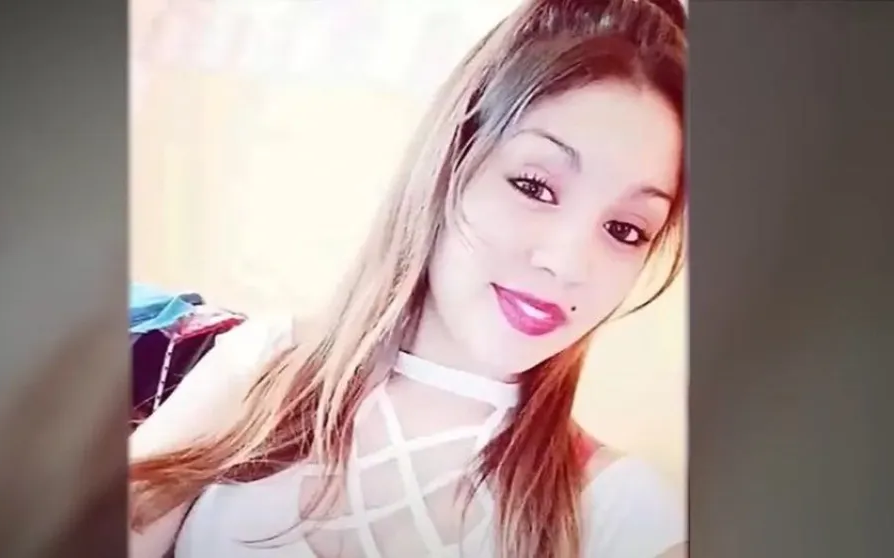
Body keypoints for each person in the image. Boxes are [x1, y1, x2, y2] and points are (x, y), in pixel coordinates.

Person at [130, 0, 687, 556]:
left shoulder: (623, 515)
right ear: (450, 160)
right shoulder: (265, 365)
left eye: (625, 229)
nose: (567, 263)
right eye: (534, 187)